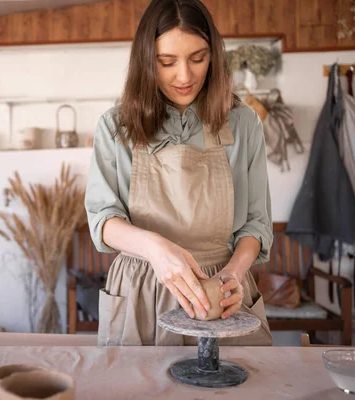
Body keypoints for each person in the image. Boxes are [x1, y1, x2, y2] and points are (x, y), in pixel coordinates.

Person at [85, 0, 274, 346]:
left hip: (223, 293)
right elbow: (103, 220)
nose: (185, 76)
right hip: (142, 288)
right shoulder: (116, 126)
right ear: (146, 60)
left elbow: (256, 225)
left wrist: (232, 275)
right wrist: (157, 249)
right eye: (166, 62)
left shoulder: (244, 123)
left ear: (214, 55)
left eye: (198, 58)